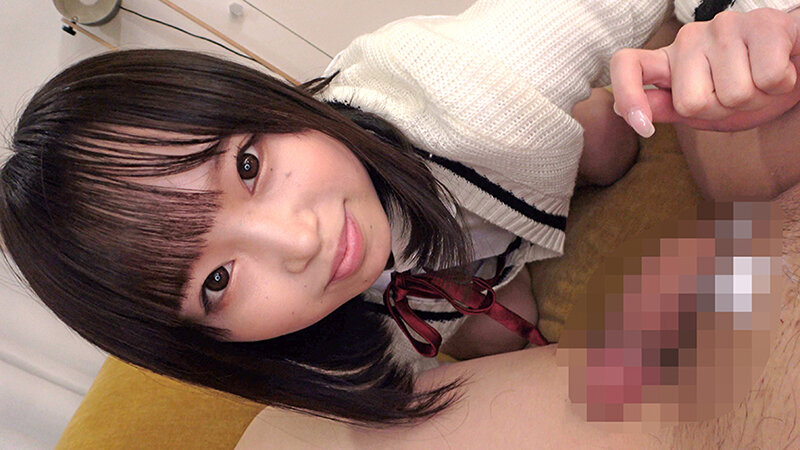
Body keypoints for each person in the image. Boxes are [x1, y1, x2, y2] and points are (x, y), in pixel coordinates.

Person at [0, 0, 796, 429]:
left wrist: (740, 24)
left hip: (503, 154)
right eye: (215, 280)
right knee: (485, 339)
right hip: (472, 258)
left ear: (265, 104)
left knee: (621, 148)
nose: (298, 242)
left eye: (248, 167)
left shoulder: (474, 84)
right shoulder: (304, 356)